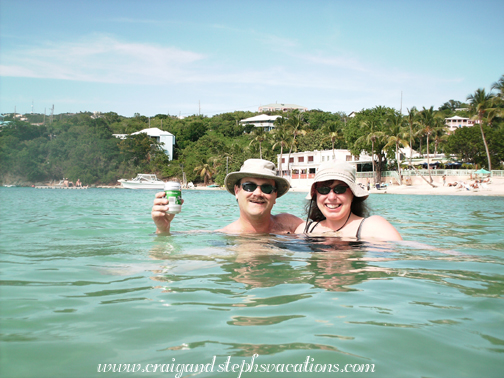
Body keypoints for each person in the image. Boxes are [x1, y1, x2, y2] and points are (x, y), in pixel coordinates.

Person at [151, 159, 303, 235]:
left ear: (275, 195)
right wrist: (163, 229)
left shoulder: (291, 224)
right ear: (237, 191)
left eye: (267, 188)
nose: (257, 193)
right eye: (249, 186)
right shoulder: (227, 237)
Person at [295, 161, 402, 241]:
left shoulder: (372, 227)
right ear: (316, 193)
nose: (331, 197)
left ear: (352, 193)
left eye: (340, 189)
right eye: (324, 189)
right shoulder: (304, 230)